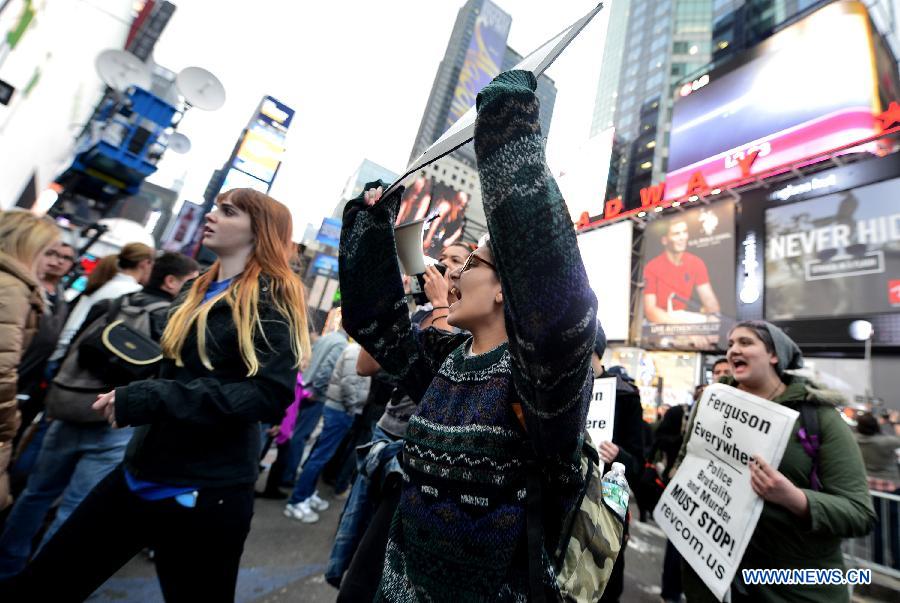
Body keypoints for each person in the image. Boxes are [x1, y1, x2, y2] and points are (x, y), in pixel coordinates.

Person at [339, 70, 600, 600]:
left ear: (507, 288)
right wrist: (368, 232)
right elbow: (374, 325)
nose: (452, 275)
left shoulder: (541, 384)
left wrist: (507, 130)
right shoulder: (444, 359)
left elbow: (557, 298)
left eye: (472, 263)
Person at [0, 189, 309, 602]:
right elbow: (177, 372)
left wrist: (151, 397)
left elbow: (267, 396)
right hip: (139, 470)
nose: (212, 216)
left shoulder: (272, 299)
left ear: (260, 230)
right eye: (216, 208)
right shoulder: (195, 289)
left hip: (207, 491)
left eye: (228, 211)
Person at [0, 253, 199, 578]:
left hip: (70, 404)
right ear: (171, 282)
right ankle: (40, 581)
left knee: (36, 494)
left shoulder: (118, 300)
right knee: (74, 507)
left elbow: (72, 343)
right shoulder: (170, 319)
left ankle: (7, 567)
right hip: (113, 418)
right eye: (191, 281)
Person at [679, 320, 875, 602]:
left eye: (746, 343)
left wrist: (793, 498)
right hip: (714, 580)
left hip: (792, 587)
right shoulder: (713, 404)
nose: (734, 350)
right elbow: (686, 465)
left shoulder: (819, 417)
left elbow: (859, 513)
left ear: (774, 355)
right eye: (731, 343)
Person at [0, 212, 60, 513]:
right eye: (47, 251)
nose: (51, 262)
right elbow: (1, 369)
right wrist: (9, 424)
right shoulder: (12, 288)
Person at [11, 242, 76, 481]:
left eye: (65, 258)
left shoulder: (61, 294)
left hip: (32, 380)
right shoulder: (25, 285)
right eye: (51, 253)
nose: (57, 261)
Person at [285, 342, 370, 522]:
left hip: (341, 410)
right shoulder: (355, 351)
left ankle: (307, 494)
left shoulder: (357, 350)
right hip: (340, 410)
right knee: (320, 456)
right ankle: (297, 501)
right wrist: (352, 408)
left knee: (322, 455)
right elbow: (348, 383)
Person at [589, 333, 644, 603]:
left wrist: (619, 455)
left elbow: (639, 465)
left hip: (606, 510)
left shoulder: (624, 397)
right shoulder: (558, 389)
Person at [50, 242, 155, 366]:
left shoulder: (105, 282)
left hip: (63, 350)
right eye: (152, 263)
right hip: (76, 357)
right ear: (144, 263)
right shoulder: (131, 293)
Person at [281, 328, 349, 486]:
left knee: (293, 431)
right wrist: (317, 390)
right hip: (313, 394)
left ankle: (283, 474)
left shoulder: (326, 337)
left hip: (304, 388)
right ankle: (287, 476)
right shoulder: (340, 344)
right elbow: (326, 369)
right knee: (300, 435)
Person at [643, 219, 720, 324]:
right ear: (665, 240)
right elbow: (650, 310)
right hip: (660, 319)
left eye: (684, 232)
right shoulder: (652, 267)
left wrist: (712, 324)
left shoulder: (696, 262)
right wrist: (684, 331)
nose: (682, 237)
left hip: (682, 317)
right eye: (676, 234)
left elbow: (709, 301)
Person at [855, 412, 900, 569]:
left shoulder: (856, 439)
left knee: (877, 527)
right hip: (890, 490)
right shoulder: (885, 442)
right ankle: (896, 564)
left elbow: (867, 429)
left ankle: (878, 562)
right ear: (875, 426)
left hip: (869, 489)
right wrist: (894, 423)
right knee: (894, 528)